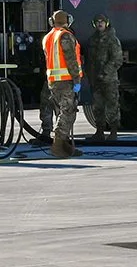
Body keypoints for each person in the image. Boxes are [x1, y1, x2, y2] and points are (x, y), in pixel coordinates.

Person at [41, 9, 83, 158]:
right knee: (67, 113)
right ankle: (57, 145)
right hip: (66, 81)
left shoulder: (48, 37)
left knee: (61, 112)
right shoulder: (65, 36)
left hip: (53, 81)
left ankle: (64, 145)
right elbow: (71, 61)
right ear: (67, 21)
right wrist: (77, 80)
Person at [85, 12, 125, 144]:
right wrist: (90, 76)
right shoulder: (92, 40)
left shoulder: (112, 40)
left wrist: (105, 72)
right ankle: (100, 132)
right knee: (97, 106)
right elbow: (89, 60)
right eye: (97, 22)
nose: (100, 23)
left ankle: (113, 131)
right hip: (95, 80)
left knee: (112, 105)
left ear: (106, 23)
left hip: (109, 80)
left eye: (102, 21)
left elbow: (117, 59)